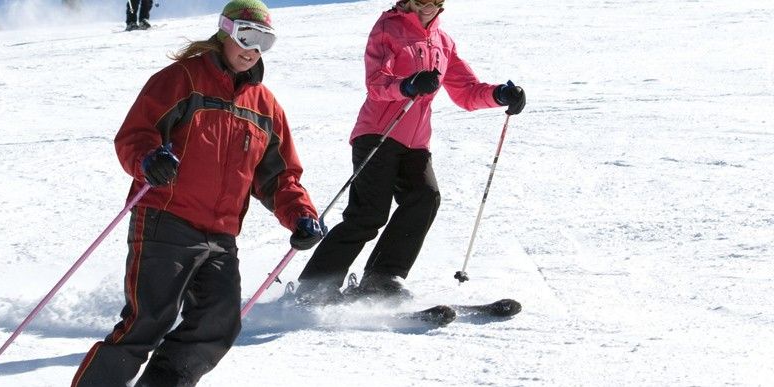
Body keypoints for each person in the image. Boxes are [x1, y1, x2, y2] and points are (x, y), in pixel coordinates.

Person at [71, 1, 325, 386]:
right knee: (146, 323)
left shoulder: (266, 106)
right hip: (165, 219)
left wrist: (300, 215)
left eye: (264, 42)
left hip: (221, 236)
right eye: (246, 36)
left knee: (218, 323)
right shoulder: (182, 79)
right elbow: (136, 135)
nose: (252, 49)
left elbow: (279, 177)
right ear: (225, 32)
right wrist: (149, 161)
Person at [294, 0, 526, 305]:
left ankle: (382, 278)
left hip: (416, 142)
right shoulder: (388, 28)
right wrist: (407, 85)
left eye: (436, 1)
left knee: (425, 197)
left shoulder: (443, 41)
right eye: (421, 1)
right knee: (368, 214)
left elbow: (467, 91)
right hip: (379, 132)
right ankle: (315, 286)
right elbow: (376, 82)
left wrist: (499, 94)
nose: (429, 7)